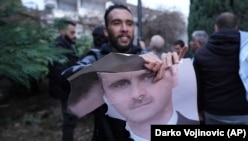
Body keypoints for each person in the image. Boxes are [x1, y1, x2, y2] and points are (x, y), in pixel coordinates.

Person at [61, 4, 183, 141]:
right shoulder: (96, 57)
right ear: (106, 31)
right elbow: (67, 79)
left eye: (129, 24)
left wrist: (172, 71)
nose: (124, 29)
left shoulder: (146, 56)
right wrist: (126, 62)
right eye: (117, 23)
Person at [66, 53, 199, 141]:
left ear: (174, 78)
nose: (137, 94)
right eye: (120, 84)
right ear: (104, 94)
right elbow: (66, 80)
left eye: (148, 77)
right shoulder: (95, 56)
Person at [193, 12, 248, 124]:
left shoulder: (201, 53)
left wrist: (199, 109)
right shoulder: (247, 50)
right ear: (236, 28)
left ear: (216, 28)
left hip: (214, 112)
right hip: (244, 111)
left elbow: (198, 86)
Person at [48, 20, 79, 141]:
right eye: (72, 32)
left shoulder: (68, 43)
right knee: (69, 122)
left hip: (69, 89)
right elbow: (61, 72)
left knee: (71, 120)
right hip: (65, 90)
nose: (75, 35)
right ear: (62, 31)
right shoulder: (58, 47)